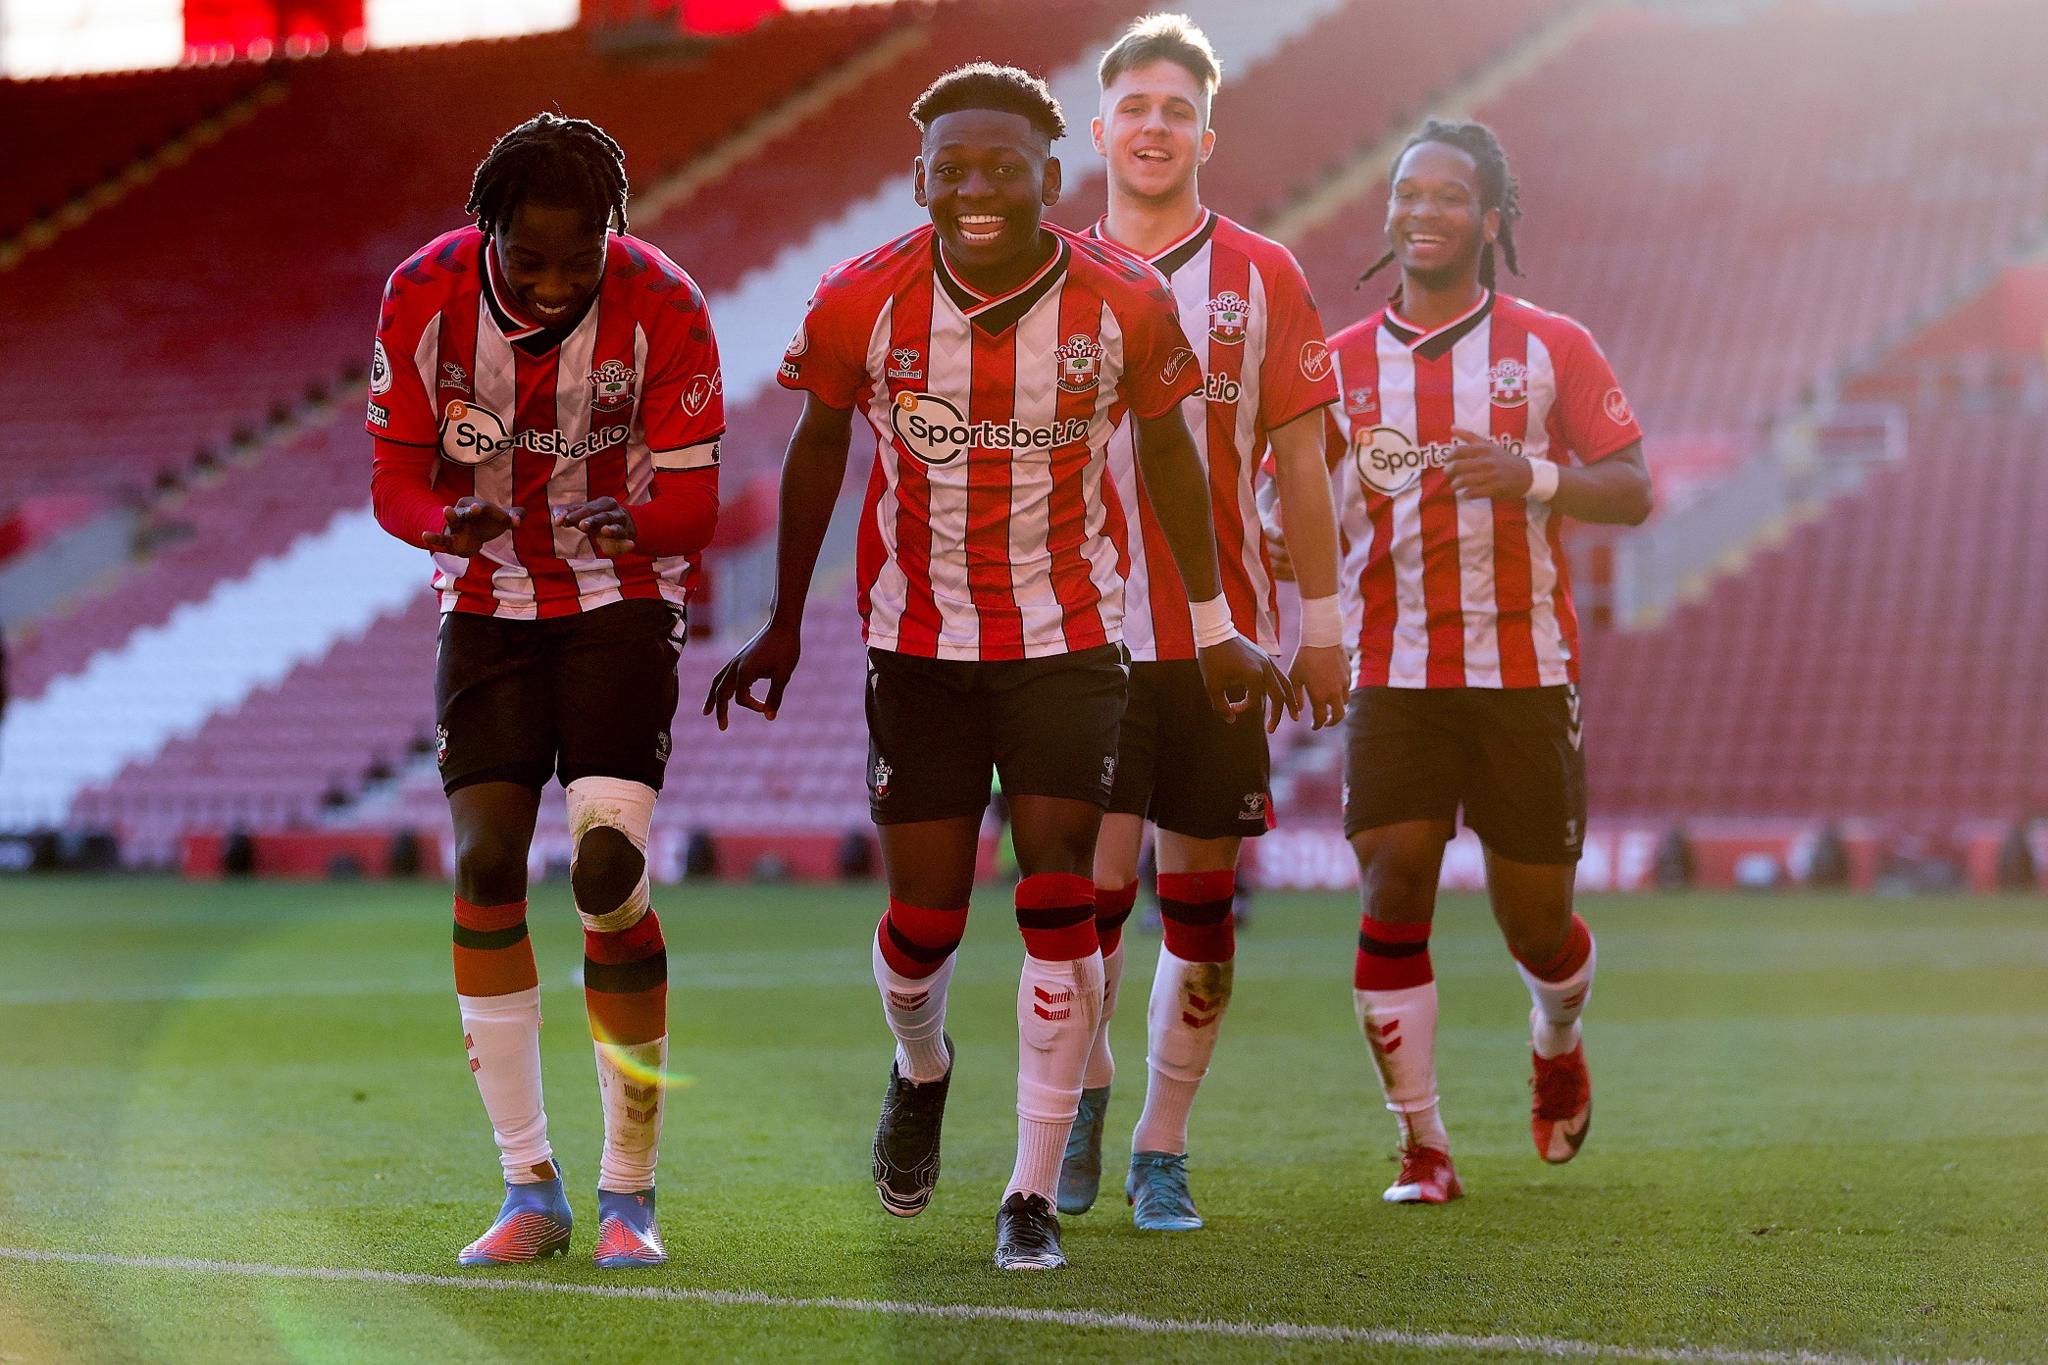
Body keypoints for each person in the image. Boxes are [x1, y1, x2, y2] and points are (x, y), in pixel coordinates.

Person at [704, 63, 1291, 1271]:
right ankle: (920, 1065)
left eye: (1003, 168)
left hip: (1069, 643)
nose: (977, 188)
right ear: (919, 177)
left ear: (1047, 176)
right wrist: (781, 623)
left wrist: (1214, 617)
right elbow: (818, 450)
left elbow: (1176, 468)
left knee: (1057, 898)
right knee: (921, 923)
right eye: (952, 167)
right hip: (914, 647)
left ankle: (1026, 1193)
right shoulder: (856, 300)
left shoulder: (1122, 302)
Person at [367, 112, 724, 1268]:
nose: (558, 281)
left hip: (621, 602)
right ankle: (532, 1188)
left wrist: (642, 519)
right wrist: (441, 519)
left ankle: (631, 1192)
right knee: (481, 866)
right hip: (486, 606)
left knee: (607, 876)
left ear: (612, 235)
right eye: (531, 259)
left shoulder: (663, 300)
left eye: (581, 258)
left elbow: (694, 500)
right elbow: (392, 477)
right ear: (490, 232)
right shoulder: (420, 294)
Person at [1056, 13, 1349, 1233]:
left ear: (1205, 135)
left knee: (1203, 914)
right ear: (1100, 128)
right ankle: (1076, 1099)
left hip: (1218, 645)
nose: (1155, 128)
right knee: (1087, 899)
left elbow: (1301, 465)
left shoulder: (1263, 277)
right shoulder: (1049, 270)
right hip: (1080, 638)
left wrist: (1321, 624)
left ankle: (1158, 1149)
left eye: (1177, 110)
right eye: (1136, 108)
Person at [1323, 119, 1652, 1204]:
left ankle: (1555, 1035)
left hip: (1524, 674)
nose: (1421, 210)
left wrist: (1533, 476)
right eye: (1406, 191)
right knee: (1392, 881)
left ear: (1489, 219)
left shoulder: (1549, 345)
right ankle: (1422, 1147)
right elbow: (1289, 507)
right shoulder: (1334, 368)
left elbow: (1633, 487)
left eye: (1447, 195)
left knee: (1536, 927)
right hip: (1394, 673)